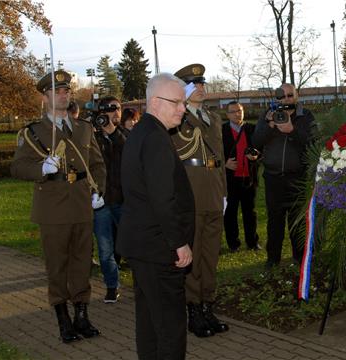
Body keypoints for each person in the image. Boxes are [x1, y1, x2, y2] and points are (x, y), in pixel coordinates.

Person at [11, 70, 106, 343]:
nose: (64, 95)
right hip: (52, 208)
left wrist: (98, 190)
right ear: (45, 96)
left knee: (81, 263)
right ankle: (63, 319)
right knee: (57, 265)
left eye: (66, 91)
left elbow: (98, 165)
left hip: (81, 204)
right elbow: (18, 167)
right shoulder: (33, 133)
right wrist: (41, 167)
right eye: (57, 91)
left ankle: (82, 315)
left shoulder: (84, 128)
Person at [116, 73, 195, 359]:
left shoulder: (142, 133)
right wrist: (179, 241)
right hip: (159, 247)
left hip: (142, 245)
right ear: (154, 101)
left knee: (149, 321)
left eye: (183, 102)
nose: (182, 108)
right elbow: (163, 198)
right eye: (176, 102)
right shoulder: (156, 138)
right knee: (170, 328)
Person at [172, 63, 229, 338]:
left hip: (214, 194)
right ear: (183, 89)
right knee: (193, 256)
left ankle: (208, 306)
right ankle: (193, 310)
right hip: (192, 196)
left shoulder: (214, 119)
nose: (201, 88)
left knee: (210, 256)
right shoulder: (177, 121)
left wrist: (225, 192)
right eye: (194, 84)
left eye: (202, 83)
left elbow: (218, 160)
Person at [252, 83, 315, 269]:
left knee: (297, 220)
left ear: (296, 95)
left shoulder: (306, 115)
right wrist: (270, 125)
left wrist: (291, 131)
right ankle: (273, 259)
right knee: (275, 221)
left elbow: (313, 142)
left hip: (298, 177)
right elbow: (256, 141)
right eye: (282, 96)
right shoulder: (267, 114)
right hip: (273, 178)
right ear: (277, 98)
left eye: (290, 95)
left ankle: (299, 256)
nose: (286, 99)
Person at [92, 95, 126, 303]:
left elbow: (130, 151)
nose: (114, 112)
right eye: (108, 109)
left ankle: (144, 283)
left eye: (117, 109)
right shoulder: (91, 137)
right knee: (105, 250)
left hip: (125, 200)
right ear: (100, 113)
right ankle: (112, 286)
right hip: (101, 201)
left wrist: (113, 132)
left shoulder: (127, 135)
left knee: (134, 243)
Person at [222, 101, 261, 252]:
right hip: (230, 179)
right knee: (230, 212)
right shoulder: (221, 131)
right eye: (233, 111)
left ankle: (252, 242)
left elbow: (261, 148)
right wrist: (225, 163)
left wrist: (257, 156)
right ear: (227, 115)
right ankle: (233, 244)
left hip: (248, 178)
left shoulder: (252, 128)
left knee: (250, 212)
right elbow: (214, 152)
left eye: (239, 110)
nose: (237, 114)